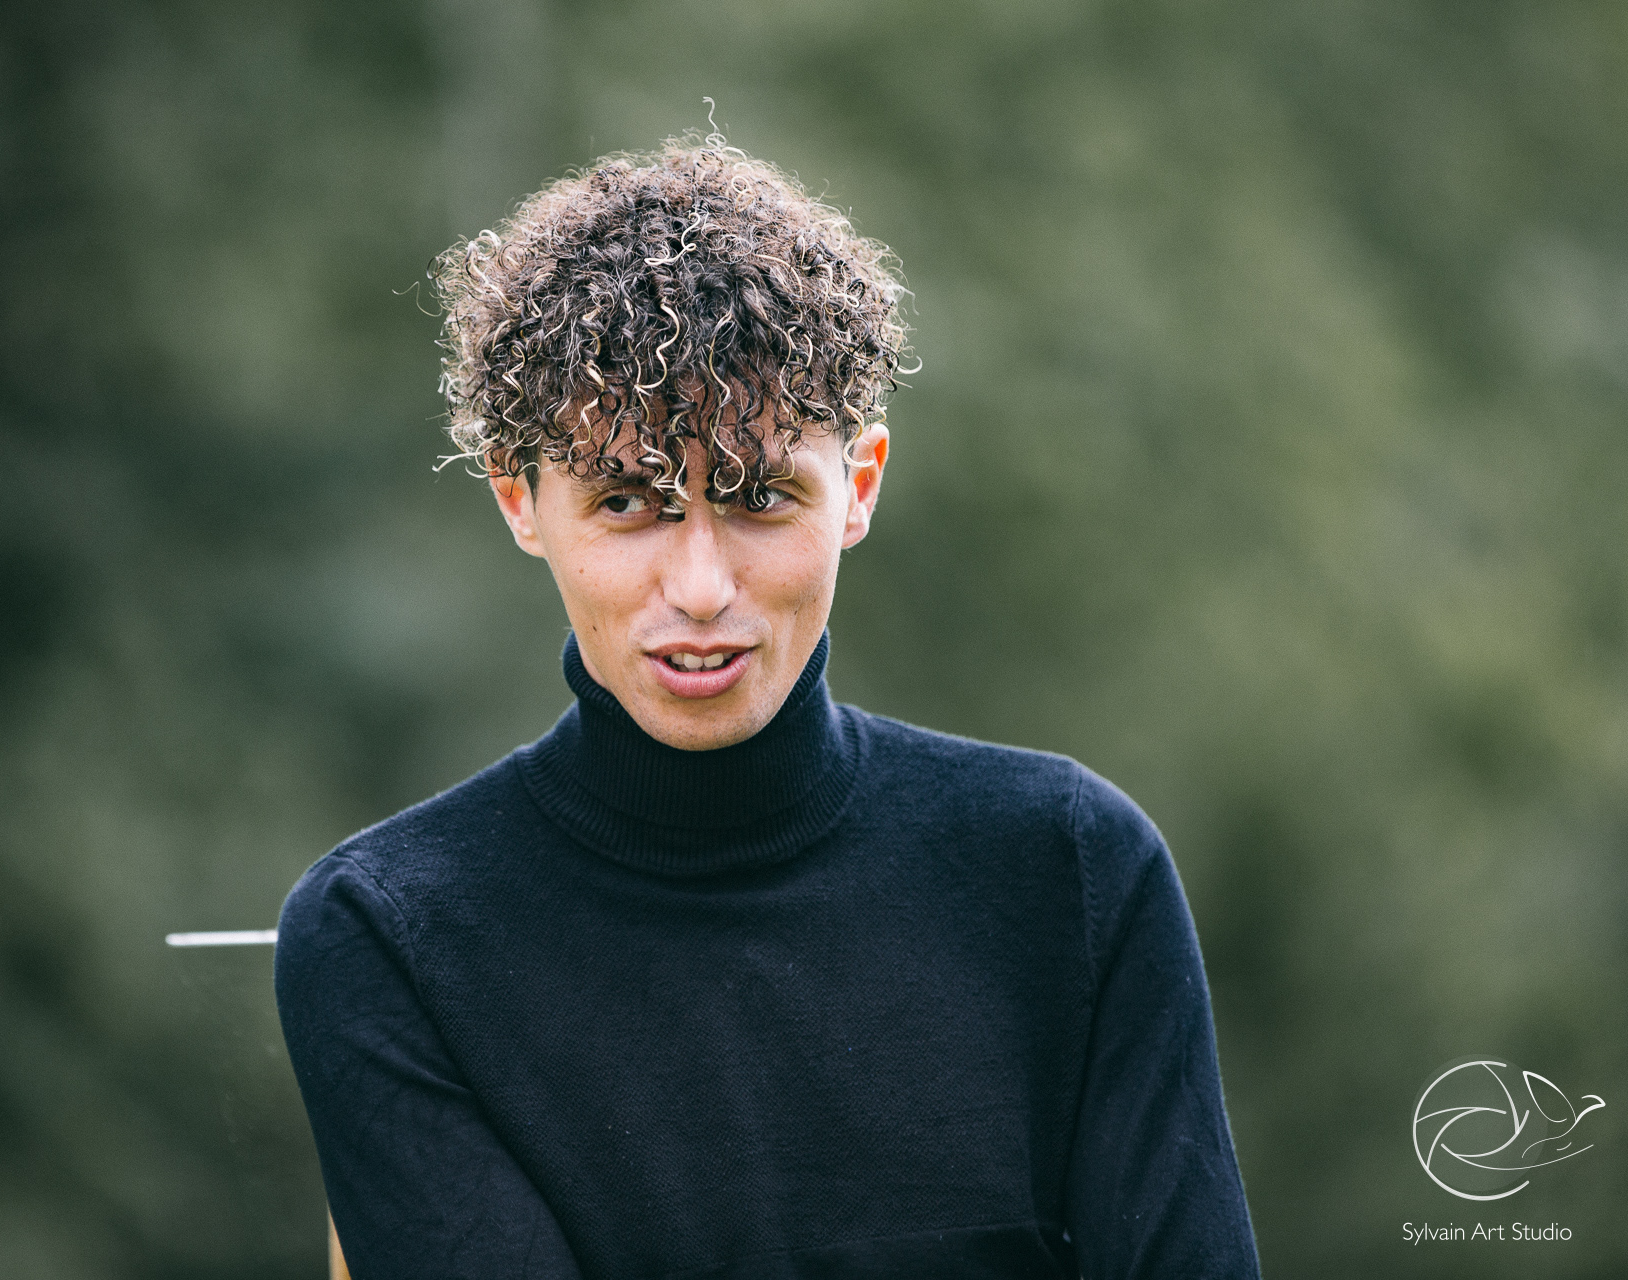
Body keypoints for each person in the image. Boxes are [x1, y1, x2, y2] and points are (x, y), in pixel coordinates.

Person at [275, 135, 1261, 1280]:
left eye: (758, 495)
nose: (701, 587)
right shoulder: (388, 935)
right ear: (519, 498)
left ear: (861, 485)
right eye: (628, 499)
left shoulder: (1072, 871)